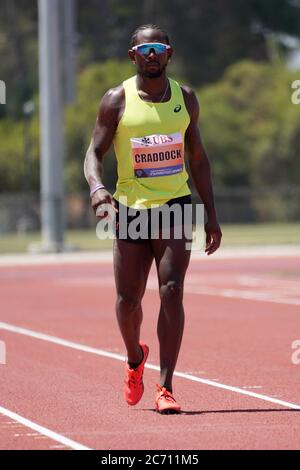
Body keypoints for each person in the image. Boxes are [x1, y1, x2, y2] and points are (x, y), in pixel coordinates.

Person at [84, 24, 222, 414]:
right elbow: (94, 153)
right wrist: (97, 188)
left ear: (169, 54)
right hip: (131, 210)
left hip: (175, 206)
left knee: (172, 289)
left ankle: (166, 386)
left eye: (158, 48)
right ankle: (133, 359)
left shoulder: (186, 99)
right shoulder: (116, 100)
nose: (151, 54)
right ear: (133, 56)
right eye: (144, 49)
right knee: (128, 301)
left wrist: (211, 215)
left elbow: (198, 159)